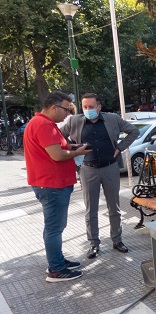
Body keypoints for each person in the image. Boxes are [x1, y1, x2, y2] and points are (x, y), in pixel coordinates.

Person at [60, 93, 139, 259]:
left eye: (91, 107)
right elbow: (58, 136)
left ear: (99, 107)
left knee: (114, 208)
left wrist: (120, 148)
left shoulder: (112, 119)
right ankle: (94, 244)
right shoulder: (74, 121)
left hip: (110, 168)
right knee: (91, 210)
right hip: (88, 169)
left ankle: (117, 240)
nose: (88, 110)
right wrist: (72, 148)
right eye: (85, 107)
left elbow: (133, 131)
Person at [23, 91, 91, 282]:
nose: (68, 114)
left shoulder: (41, 123)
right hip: (51, 185)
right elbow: (57, 156)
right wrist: (76, 152)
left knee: (54, 227)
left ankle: (57, 261)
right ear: (54, 107)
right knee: (54, 228)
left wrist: (71, 147)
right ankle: (56, 270)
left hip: (50, 184)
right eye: (66, 109)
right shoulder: (44, 125)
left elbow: (55, 149)